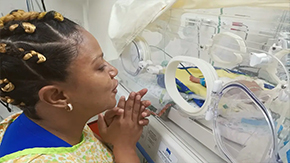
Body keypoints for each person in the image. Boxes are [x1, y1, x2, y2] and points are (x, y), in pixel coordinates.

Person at [0, 10, 151, 162]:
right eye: (99, 67)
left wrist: (109, 140)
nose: (113, 70)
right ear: (57, 96)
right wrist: (124, 147)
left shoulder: (57, 121)